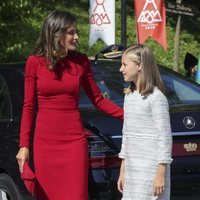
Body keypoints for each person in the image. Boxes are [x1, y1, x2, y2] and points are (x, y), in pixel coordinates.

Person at [16, 10, 123, 200]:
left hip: (73, 143)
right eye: (72, 32)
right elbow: (28, 107)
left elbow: (98, 100)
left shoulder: (81, 62)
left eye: (76, 32)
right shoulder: (34, 62)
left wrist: (128, 115)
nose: (77, 37)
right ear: (56, 33)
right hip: (45, 144)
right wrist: (24, 146)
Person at [117, 44, 172, 200]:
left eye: (125, 64)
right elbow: (126, 134)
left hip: (151, 170)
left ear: (139, 65)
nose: (121, 69)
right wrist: (123, 169)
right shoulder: (129, 97)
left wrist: (160, 174)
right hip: (132, 170)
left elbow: (165, 138)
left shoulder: (156, 98)